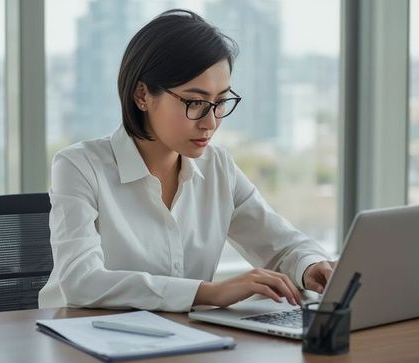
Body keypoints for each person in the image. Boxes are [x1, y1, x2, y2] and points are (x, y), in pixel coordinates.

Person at [39, 9, 334, 312]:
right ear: (142, 95)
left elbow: (282, 245)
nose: (211, 122)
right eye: (195, 102)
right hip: (79, 342)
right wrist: (207, 293)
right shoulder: (79, 166)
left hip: (182, 342)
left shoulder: (218, 166)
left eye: (220, 102)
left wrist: (309, 266)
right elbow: (80, 281)